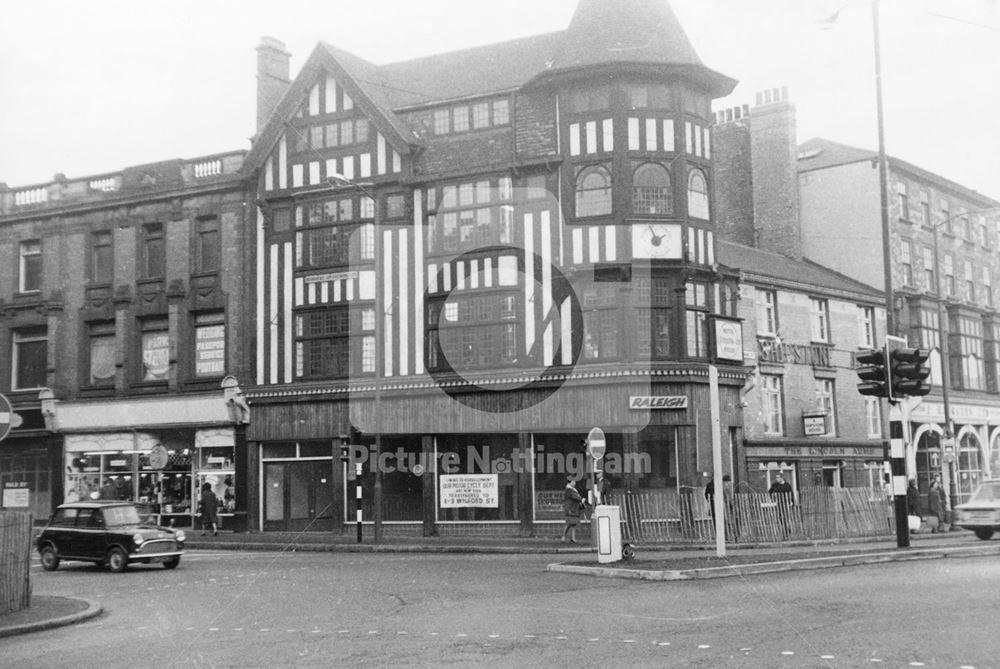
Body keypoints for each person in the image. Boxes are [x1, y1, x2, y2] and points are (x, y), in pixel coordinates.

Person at [768, 473, 793, 538]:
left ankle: (787, 531)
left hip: (786, 503)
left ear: (782, 478)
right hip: (779, 503)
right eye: (776, 478)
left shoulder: (787, 485)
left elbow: (791, 494)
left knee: (786, 517)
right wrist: (773, 499)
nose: (776, 479)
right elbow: (770, 492)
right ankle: (786, 530)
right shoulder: (775, 485)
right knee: (781, 518)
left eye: (778, 477)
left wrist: (792, 502)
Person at [561, 475, 583, 544]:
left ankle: (573, 538)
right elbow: (575, 497)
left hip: (574, 508)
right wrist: (581, 499)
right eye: (573, 481)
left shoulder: (572, 490)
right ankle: (563, 536)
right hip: (570, 509)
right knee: (568, 524)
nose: (575, 483)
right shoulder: (569, 490)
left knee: (573, 524)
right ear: (570, 482)